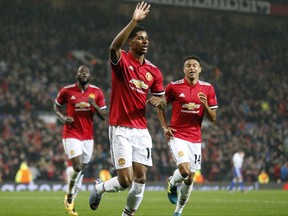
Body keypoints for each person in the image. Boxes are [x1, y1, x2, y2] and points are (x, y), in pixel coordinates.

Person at [89, 2, 166, 216]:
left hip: (141, 130)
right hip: (120, 128)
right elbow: (113, 48)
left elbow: (162, 99)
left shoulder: (153, 71)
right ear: (131, 41)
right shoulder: (122, 61)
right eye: (140, 38)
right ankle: (99, 188)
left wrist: (158, 101)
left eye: (147, 39)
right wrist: (134, 22)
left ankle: (127, 214)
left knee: (140, 179)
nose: (144, 42)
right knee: (125, 181)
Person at [157, 56, 218, 216]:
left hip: (195, 139)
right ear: (184, 69)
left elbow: (213, 118)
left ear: (200, 69)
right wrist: (164, 126)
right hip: (177, 135)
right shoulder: (174, 87)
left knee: (190, 178)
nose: (192, 68)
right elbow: (160, 105)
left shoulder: (208, 88)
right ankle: (171, 183)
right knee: (184, 170)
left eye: (195, 66)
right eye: (188, 66)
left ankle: (178, 211)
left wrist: (205, 105)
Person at [54, 65, 107, 216]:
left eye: (86, 72)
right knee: (77, 167)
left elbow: (104, 115)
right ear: (77, 75)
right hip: (71, 134)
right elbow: (56, 106)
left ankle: (70, 200)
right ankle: (70, 195)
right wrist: (63, 118)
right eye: (81, 72)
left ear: (89, 76)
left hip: (88, 138)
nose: (84, 74)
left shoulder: (96, 92)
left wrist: (94, 105)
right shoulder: (67, 91)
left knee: (81, 171)